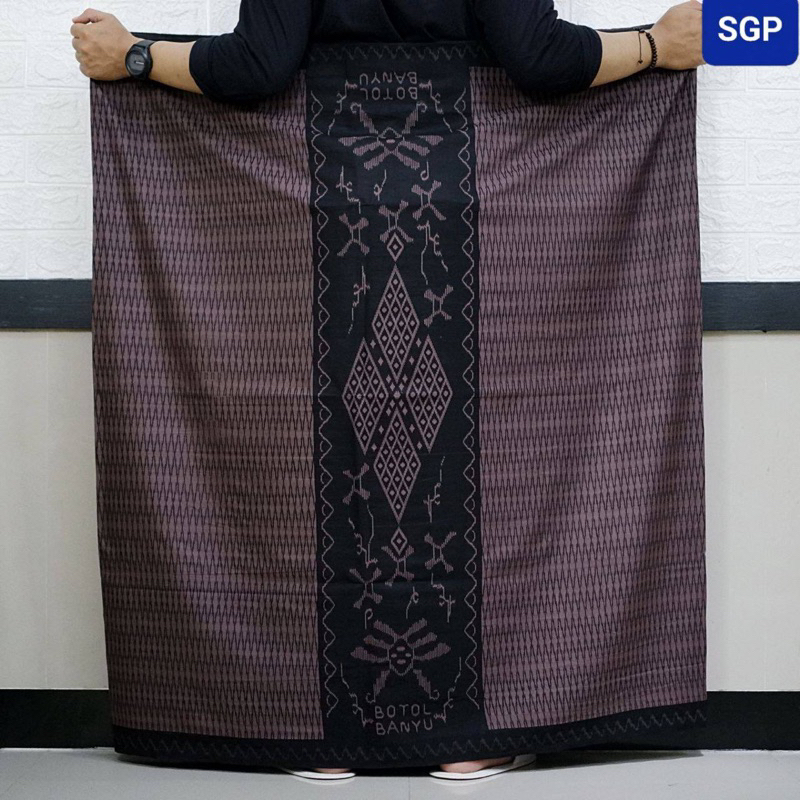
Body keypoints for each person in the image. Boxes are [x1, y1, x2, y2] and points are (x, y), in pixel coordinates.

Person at [71, 0, 705, 779]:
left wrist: (134, 55)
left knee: (316, 472)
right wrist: (656, 45)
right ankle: (472, 736)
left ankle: (321, 736)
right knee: (481, 473)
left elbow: (257, 68)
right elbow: (540, 60)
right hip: (470, 199)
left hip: (320, 204)